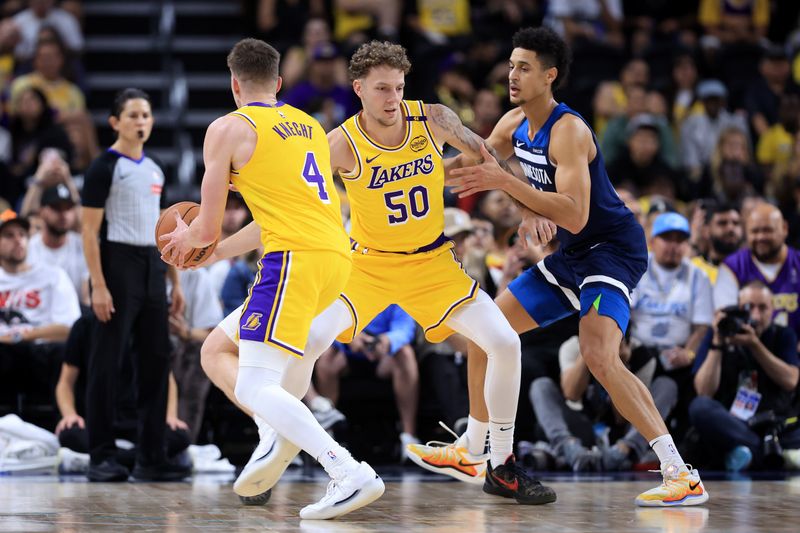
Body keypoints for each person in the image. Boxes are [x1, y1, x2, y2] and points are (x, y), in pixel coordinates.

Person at [192, 40, 555, 506]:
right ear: (358, 89)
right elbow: (284, 215)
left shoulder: (434, 119)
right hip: (365, 267)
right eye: (382, 88)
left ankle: (498, 464)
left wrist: (525, 207)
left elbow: (489, 157)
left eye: (399, 87)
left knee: (505, 342)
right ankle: (274, 448)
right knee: (304, 345)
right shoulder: (337, 144)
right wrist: (221, 249)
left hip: (432, 263)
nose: (393, 98)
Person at [432, 26, 708, 506]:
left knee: (598, 354)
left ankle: (679, 473)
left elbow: (576, 214)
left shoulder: (570, 130)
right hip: (574, 254)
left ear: (549, 76)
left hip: (612, 248)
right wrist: (400, 166)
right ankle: (475, 450)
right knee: (486, 330)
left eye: (524, 67)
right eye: (511, 65)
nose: (512, 75)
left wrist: (512, 188)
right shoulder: (513, 121)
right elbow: (474, 162)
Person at [159, 38, 383, 520]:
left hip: (292, 261)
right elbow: (268, 219)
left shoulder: (227, 128)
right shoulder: (307, 125)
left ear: (233, 83)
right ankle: (272, 435)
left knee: (257, 386)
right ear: (279, 83)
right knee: (216, 349)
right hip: (335, 258)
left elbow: (206, 223)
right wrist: (216, 252)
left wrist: (185, 238)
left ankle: (346, 470)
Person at [80, 88, 188, 483]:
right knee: (107, 362)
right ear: (115, 123)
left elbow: (166, 230)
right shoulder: (104, 167)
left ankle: (151, 456)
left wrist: (175, 282)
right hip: (117, 261)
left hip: (152, 265)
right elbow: (89, 233)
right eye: (133, 115)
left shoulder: (156, 168)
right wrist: (99, 285)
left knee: (157, 361)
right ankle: (100, 456)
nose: (141, 121)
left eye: (146, 114)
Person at [691, 281, 800, 471]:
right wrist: (717, 342)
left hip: (775, 425)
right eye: (748, 308)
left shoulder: (784, 335)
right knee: (699, 407)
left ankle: (751, 454)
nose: (755, 315)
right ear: (737, 310)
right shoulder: (718, 334)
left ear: (773, 310)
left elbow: (791, 381)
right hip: (733, 424)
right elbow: (703, 391)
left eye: (763, 308)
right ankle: (770, 455)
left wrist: (755, 345)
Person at [0, 209, 80, 403]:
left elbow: (70, 329)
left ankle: (64, 420)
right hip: (2, 352)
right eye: (9, 235)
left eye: (22, 235)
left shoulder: (53, 275)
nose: (18, 240)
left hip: (42, 351)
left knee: (63, 352)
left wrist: (22, 336)